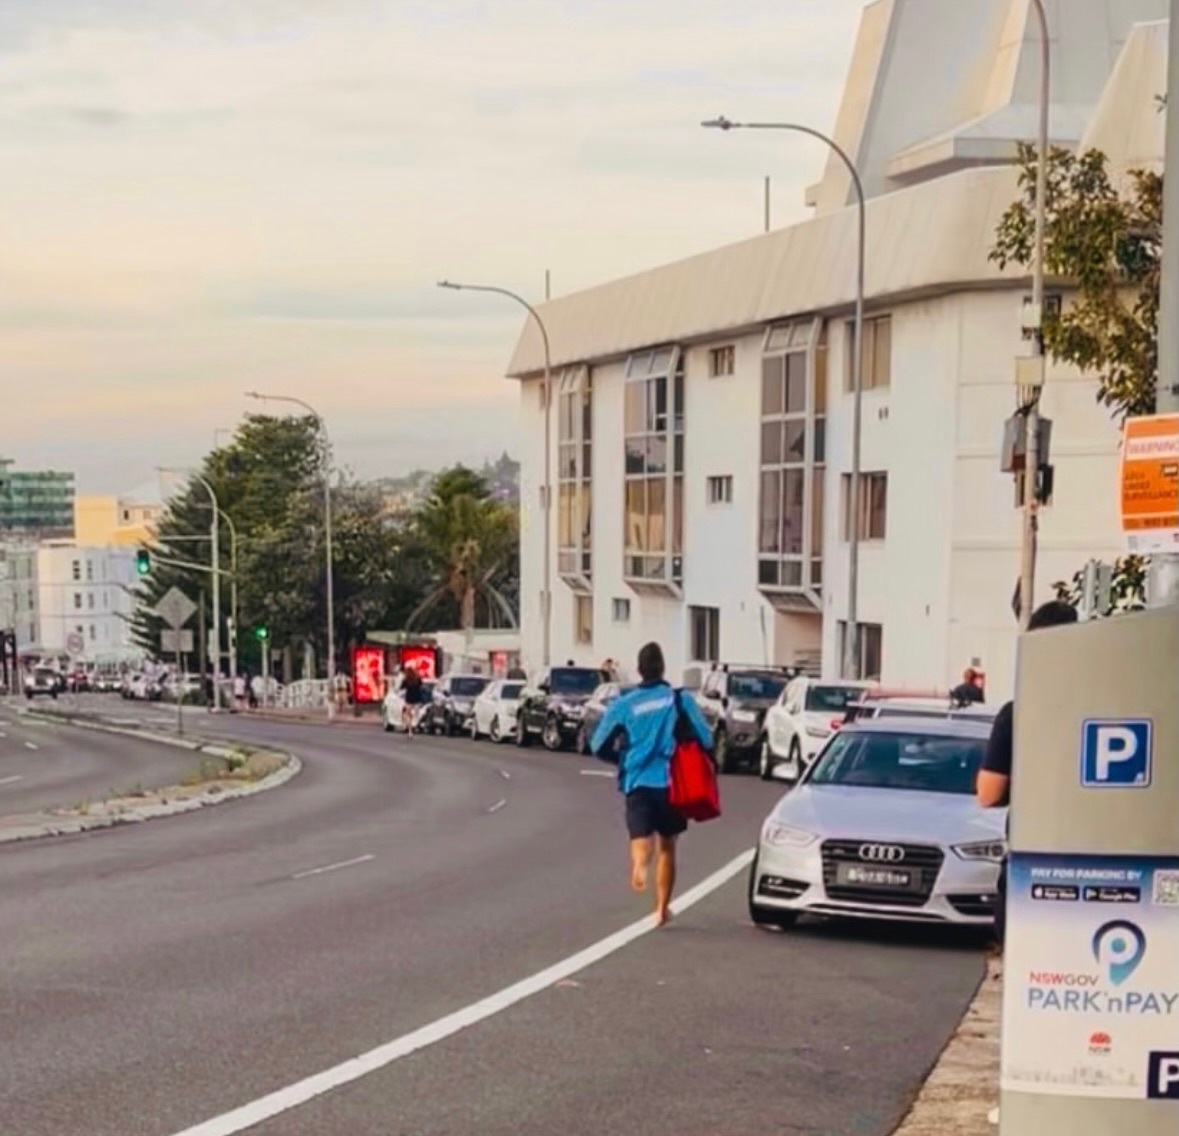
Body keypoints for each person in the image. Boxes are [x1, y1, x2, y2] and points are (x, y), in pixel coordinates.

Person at [976, 599, 1079, 946]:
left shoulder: (1018, 713)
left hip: (1034, 857)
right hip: (1103, 859)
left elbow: (988, 794)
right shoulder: (1112, 708)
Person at [590, 641, 714, 927]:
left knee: (640, 836)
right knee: (668, 846)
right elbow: (706, 738)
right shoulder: (679, 699)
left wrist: (621, 758)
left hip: (637, 780)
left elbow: (597, 744)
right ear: (662, 668)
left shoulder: (623, 705)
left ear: (639, 670)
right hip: (672, 782)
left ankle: (640, 864)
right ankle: (661, 908)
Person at [400, 664, 424, 736]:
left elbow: (401, 688)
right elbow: (421, 685)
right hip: (417, 698)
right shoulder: (417, 679)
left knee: (408, 714)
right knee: (416, 713)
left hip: (409, 698)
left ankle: (410, 730)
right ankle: (415, 724)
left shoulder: (406, 680)